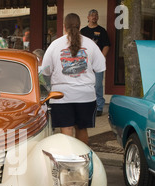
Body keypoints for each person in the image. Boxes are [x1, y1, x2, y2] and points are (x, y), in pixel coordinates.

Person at [41, 13, 105, 145]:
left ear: (64, 27)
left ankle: (68, 161)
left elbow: (46, 70)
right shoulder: (91, 44)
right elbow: (100, 67)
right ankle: (82, 159)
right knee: (82, 129)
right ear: (80, 26)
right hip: (86, 95)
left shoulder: (55, 45)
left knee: (67, 129)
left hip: (61, 96)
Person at [80, 9, 110, 116]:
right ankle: (86, 105)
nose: (94, 17)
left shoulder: (102, 31)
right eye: (92, 15)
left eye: (96, 15)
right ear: (88, 17)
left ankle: (99, 107)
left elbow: (106, 46)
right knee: (84, 84)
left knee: (97, 85)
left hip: (97, 63)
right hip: (84, 62)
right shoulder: (82, 31)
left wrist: (101, 58)